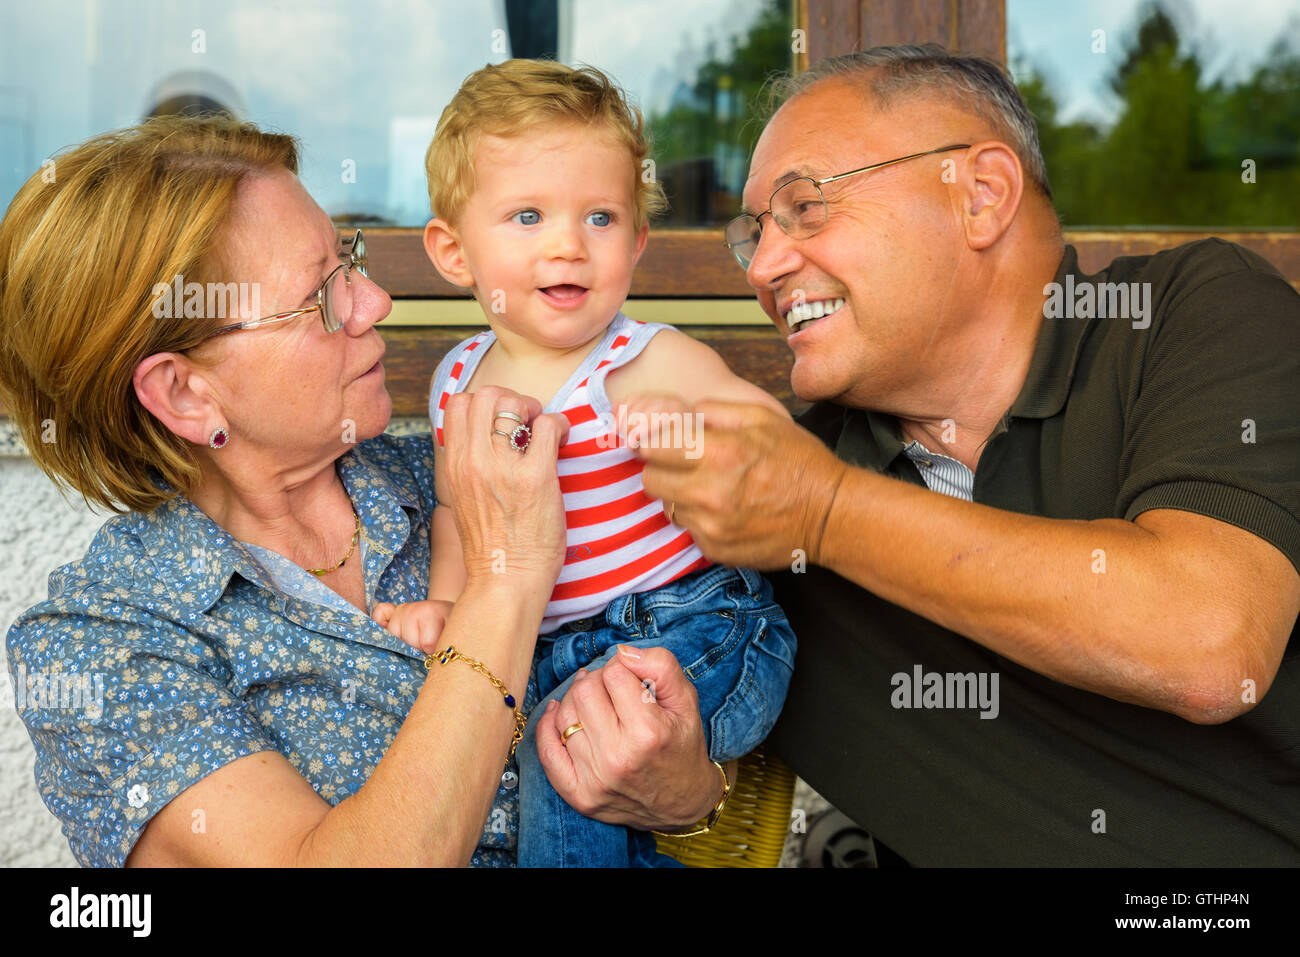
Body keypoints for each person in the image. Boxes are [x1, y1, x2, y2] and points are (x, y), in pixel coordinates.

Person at [616, 46, 1300, 865]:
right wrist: (690, 797)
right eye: (752, 234)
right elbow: (710, 792)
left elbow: (1212, 644)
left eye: (805, 206)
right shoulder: (764, 489)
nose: (763, 267)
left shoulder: (1190, 313)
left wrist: (826, 512)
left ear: (981, 196)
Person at [0, 115, 727, 867]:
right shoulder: (103, 644)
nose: (374, 301)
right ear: (186, 395)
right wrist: (507, 581)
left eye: (351, 258)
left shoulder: (455, 474)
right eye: (322, 296)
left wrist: (689, 796)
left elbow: (701, 654)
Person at [371, 60, 798, 867]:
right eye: (527, 215)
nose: (568, 244)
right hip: (564, 650)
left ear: (637, 242)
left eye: (600, 218)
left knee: (565, 752)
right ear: (452, 251)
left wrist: (689, 434)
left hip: (695, 626)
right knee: (549, 746)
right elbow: (459, 509)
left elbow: (775, 453)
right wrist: (448, 601)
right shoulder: (457, 381)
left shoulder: (647, 360)